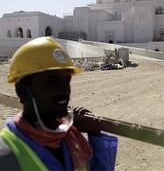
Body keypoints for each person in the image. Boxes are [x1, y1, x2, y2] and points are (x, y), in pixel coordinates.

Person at [0, 37, 118, 171]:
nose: (64, 90)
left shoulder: (72, 140)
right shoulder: (7, 155)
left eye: (66, 81)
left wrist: (95, 133)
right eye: (52, 82)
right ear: (22, 92)